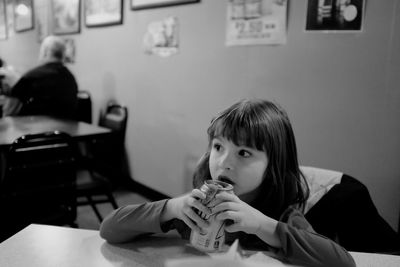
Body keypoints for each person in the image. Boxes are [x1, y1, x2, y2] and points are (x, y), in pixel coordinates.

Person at [99, 99, 355, 267]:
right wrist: (172, 209)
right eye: (218, 147)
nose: (223, 162)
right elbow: (109, 229)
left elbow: (344, 263)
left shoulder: (284, 215)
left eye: (244, 153)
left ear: (273, 165)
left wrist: (262, 225)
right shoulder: (194, 212)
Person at [2, 35, 78, 120]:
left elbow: (10, 111)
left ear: (46, 52)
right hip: (67, 131)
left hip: (37, 130)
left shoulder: (32, 76)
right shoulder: (70, 78)